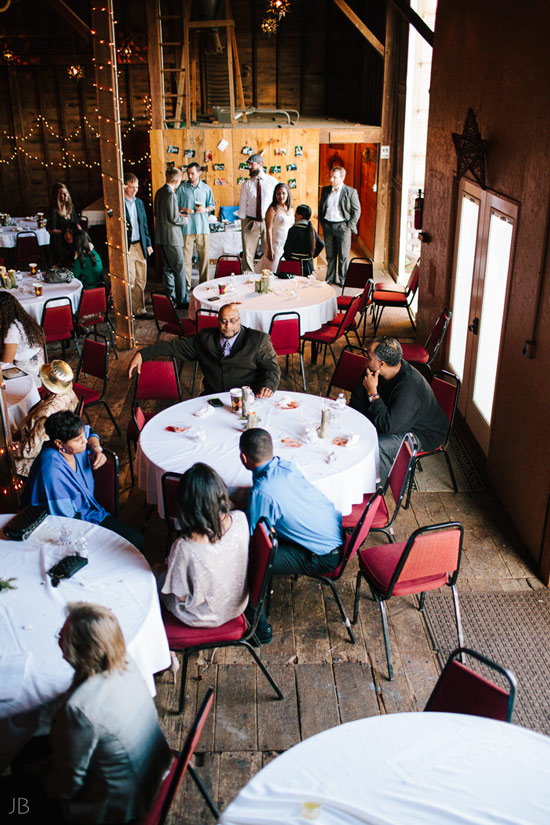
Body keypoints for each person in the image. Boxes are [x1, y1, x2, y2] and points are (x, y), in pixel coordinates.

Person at [4, 602, 172, 825]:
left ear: (78, 649)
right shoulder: (124, 660)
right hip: (149, 771)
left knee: (12, 797)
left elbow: (67, 784)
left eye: (62, 637)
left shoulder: (80, 709)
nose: (59, 641)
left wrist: (38, 776)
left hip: (114, 805)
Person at [24, 411, 145, 551]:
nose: (84, 441)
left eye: (82, 436)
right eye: (78, 439)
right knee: (131, 544)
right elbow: (65, 520)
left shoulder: (73, 445)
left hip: (90, 512)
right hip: (69, 526)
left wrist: (96, 448)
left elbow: (90, 432)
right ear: (59, 443)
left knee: (136, 541)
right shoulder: (51, 471)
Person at [240, 428, 343, 577]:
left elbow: (255, 537)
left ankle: (255, 598)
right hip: (335, 534)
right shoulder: (286, 466)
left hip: (323, 557)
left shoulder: (262, 492)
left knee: (250, 554)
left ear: (244, 458)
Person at [158, 463, 249, 627]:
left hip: (202, 616)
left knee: (155, 574)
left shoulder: (184, 547)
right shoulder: (241, 519)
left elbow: (181, 596)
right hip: (237, 604)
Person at [350, 336, 449, 483]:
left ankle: (375, 493)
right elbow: (356, 403)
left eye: (368, 356)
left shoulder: (409, 388)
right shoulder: (373, 370)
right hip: (394, 418)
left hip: (422, 432)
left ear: (381, 364)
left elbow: (390, 427)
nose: (365, 358)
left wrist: (373, 393)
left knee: (380, 445)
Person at [128, 302, 280, 397]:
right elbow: (174, 347)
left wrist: (269, 386)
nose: (228, 326)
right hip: (212, 398)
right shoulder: (205, 338)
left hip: (246, 399)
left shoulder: (258, 340)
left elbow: (272, 368)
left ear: (239, 320)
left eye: (233, 321)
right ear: (218, 321)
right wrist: (142, 354)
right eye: (224, 322)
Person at [14, 360, 78, 477]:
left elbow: (29, 451)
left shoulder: (47, 414)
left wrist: (9, 449)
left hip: (38, 461)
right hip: (56, 447)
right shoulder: (69, 393)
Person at [318, 166, 361, 286]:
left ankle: (343, 280)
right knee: (330, 255)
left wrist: (349, 225)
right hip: (328, 227)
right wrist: (323, 223)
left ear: (342, 177)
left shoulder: (351, 192)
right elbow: (321, 207)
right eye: (331, 176)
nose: (331, 179)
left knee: (343, 256)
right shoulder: (326, 190)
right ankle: (330, 278)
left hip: (343, 227)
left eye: (334, 177)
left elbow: (357, 211)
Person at [236, 154, 278, 272]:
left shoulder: (272, 182)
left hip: (268, 222)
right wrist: (244, 223)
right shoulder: (247, 184)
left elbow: (277, 202)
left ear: (260, 165)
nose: (249, 167)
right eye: (248, 164)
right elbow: (243, 206)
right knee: (248, 254)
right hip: (250, 221)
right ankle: (247, 278)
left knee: (269, 252)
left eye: (252, 164)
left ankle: (267, 276)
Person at [154, 166, 189, 308]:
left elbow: (159, 214)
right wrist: (184, 220)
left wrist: (176, 215)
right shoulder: (171, 195)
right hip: (172, 238)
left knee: (167, 268)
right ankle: (183, 300)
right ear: (176, 180)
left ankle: (171, 297)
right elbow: (174, 218)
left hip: (161, 236)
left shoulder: (159, 192)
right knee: (179, 268)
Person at [177, 162, 215, 289]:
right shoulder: (182, 188)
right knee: (186, 260)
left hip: (203, 228)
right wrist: (184, 209)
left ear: (199, 173)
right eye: (188, 173)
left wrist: (205, 209)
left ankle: (204, 286)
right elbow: (175, 206)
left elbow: (212, 206)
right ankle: (186, 287)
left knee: (204, 260)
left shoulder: (206, 189)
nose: (190, 175)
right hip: (187, 228)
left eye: (192, 173)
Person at [124, 172, 154, 319]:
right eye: (131, 187)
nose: (135, 190)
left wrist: (148, 243)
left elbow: (144, 226)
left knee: (141, 279)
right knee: (130, 278)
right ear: (125, 186)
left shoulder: (139, 203)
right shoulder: (119, 203)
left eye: (136, 187)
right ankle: (129, 310)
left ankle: (139, 309)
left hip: (140, 245)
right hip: (128, 246)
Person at [0, 291, 45, 379]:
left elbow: (6, 364)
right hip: (37, 365)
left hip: (28, 373)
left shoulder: (12, 330)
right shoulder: (21, 319)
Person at [256, 182, 294, 274]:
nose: (281, 196)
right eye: (278, 193)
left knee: (285, 271)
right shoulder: (272, 209)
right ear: (275, 195)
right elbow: (268, 230)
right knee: (272, 270)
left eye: (283, 193)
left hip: (287, 244)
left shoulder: (290, 208)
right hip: (276, 245)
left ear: (287, 194)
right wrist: (269, 249)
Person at [282, 204, 324, 276]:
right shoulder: (311, 230)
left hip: (294, 266)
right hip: (308, 266)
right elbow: (321, 244)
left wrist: (288, 259)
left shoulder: (293, 230)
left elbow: (287, 249)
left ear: (300, 216)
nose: (294, 215)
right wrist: (311, 256)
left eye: (296, 213)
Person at [47, 182, 79, 265]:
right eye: (62, 194)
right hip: (59, 243)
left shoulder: (71, 207)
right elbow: (51, 230)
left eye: (66, 193)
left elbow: (76, 223)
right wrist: (66, 233)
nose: (66, 195)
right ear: (57, 196)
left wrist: (81, 233)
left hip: (71, 241)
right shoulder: (54, 210)